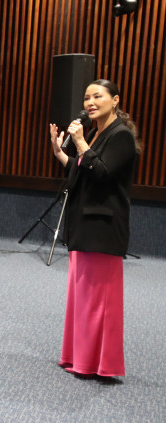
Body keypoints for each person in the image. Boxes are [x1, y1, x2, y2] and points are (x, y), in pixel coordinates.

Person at [49, 79, 141, 379]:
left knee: (96, 302)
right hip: (84, 223)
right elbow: (82, 171)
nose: (90, 102)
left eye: (97, 96)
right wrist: (60, 153)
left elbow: (102, 173)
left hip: (102, 227)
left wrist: (79, 143)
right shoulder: (96, 133)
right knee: (82, 298)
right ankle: (79, 356)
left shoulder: (121, 136)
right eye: (87, 97)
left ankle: (95, 363)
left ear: (115, 100)